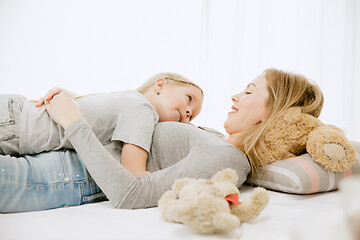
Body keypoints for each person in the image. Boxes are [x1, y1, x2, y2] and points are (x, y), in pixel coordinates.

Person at [0, 68, 324, 213]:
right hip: (61, 154)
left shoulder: (229, 160)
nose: (236, 95)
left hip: (66, 174)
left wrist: (73, 121)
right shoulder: (213, 139)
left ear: (273, 114)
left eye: (249, 91)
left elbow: (130, 193)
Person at [0, 72, 203, 177]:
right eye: (189, 99)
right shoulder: (142, 109)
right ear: (160, 85)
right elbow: (134, 172)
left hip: (16, 115)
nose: (187, 113)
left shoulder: (129, 100)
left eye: (191, 117)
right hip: (16, 127)